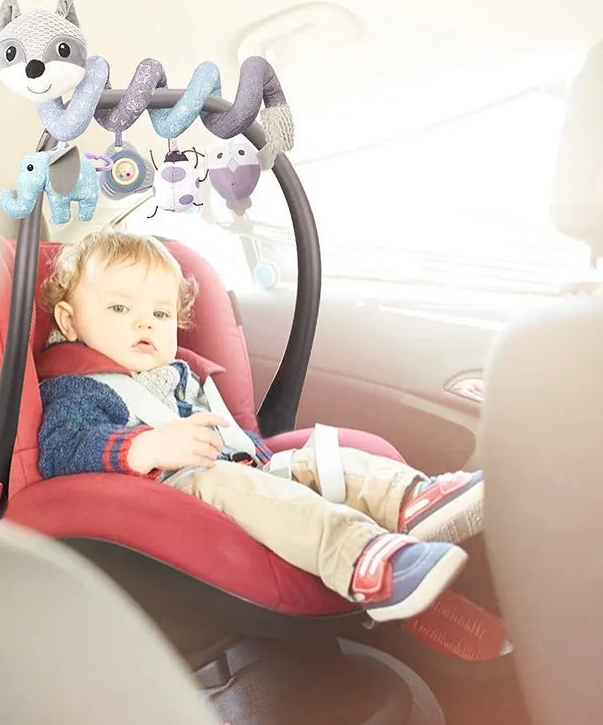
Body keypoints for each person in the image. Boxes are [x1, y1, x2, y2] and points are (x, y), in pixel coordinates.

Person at [37, 230, 484, 622]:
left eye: (161, 314)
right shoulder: (81, 387)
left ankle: (412, 500)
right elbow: (62, 447)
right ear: (69, 320)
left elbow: (226, 435)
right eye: (119, 307)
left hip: (234, 468)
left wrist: (271, 461)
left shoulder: (178, 374)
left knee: (315, 460)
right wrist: (146, 447)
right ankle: (360, 559)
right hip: (171, 493)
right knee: (231, 482)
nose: (144, 323)